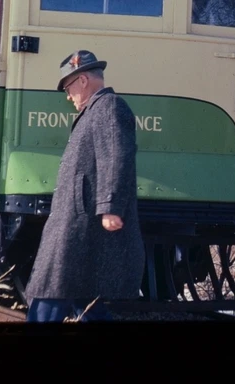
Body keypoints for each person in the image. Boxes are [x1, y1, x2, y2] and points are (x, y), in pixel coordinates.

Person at [24, 50, 145, 322]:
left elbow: (116, 156)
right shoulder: (95, 110)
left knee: (52, 291)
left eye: (68, 87)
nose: (68, 96)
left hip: (81, 226)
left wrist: (110, 206)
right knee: (82, 298)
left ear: (82, 80)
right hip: (79, 225)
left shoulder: (109, 107)